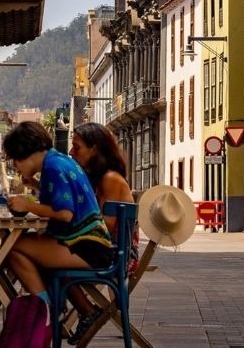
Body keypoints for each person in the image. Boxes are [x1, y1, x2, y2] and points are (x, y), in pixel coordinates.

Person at [3, 121, 113, 317]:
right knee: (29, 249)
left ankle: (45, 311)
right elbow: (63, 199)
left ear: (27, 152)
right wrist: (36, 185)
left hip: (86, 247)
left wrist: (27, 205)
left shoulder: (53, 167)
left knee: (12, 247)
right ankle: (80, 311)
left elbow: (65, 214)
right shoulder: (58, 160)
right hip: (94, 244)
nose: (15, 166)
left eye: (15, 159)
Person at [64, 123, 137, 342]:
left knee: (50, 261)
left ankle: (86, 313)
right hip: (102, 248)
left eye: (76, 148)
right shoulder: (97, 178)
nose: (71, 153)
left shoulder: (110, 179)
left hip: (115, 254)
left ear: (94, 149)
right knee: (48, 255)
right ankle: (76, 315)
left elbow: (107, 226)